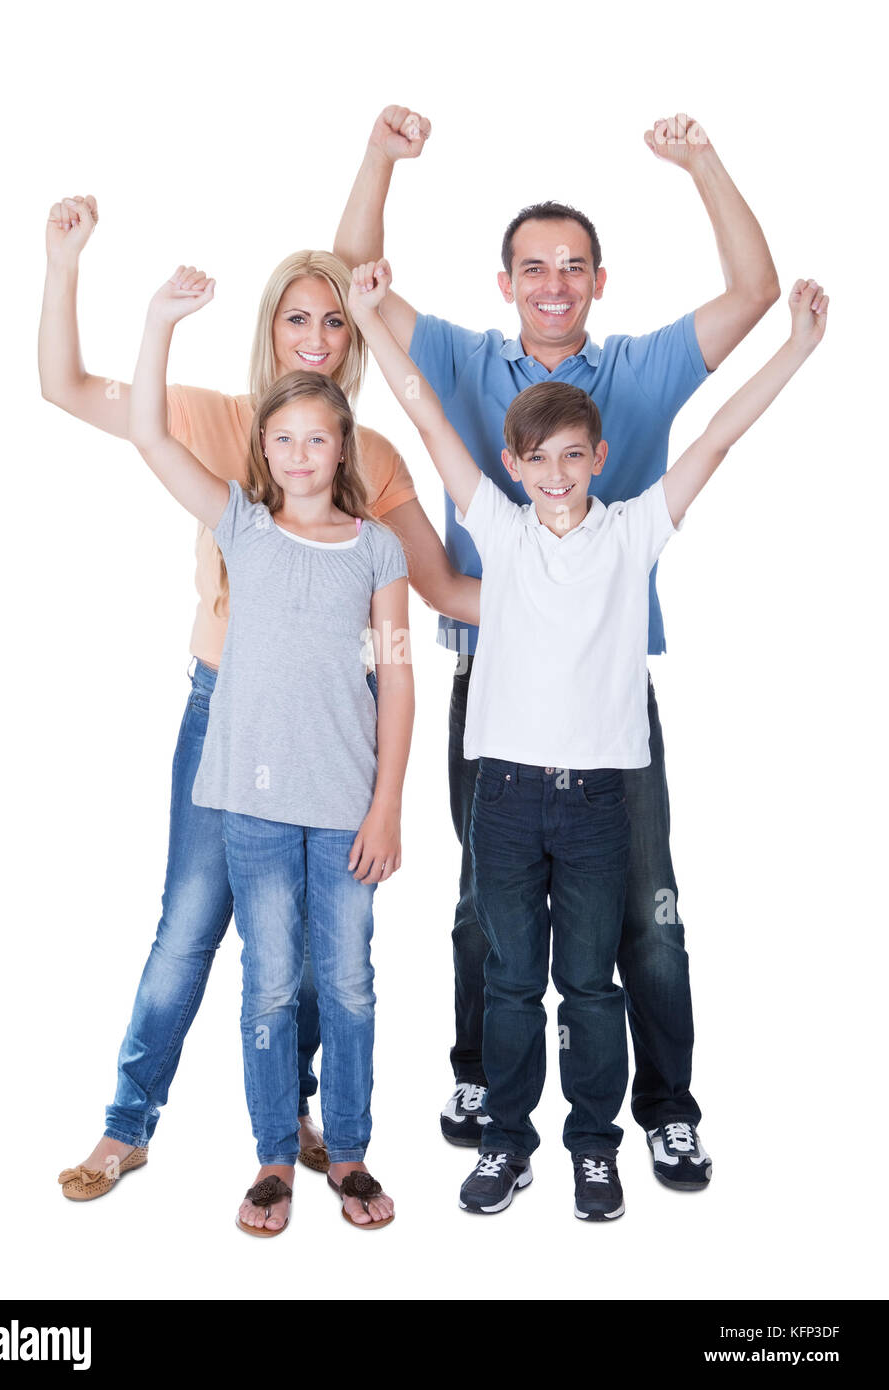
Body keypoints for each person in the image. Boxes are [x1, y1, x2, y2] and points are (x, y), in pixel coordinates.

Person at [335, 109, 781, 1182]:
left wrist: (700, 161)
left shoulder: (640, 369)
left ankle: (662, 1106)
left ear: (597, 280)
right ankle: (488, 1078)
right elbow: (356, 284)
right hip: (488, 682)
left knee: (644, 908)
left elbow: (754, 295)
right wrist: (380, 159)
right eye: (532, 267)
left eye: (571, 267)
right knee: (483, 904)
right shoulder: (452, 355)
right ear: (505, 283)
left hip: (606, 699)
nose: (551, 284)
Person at [40, 197, 479, 1203]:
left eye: (336, 321)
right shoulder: (227, 426)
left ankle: (301, 1119)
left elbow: (432, 605)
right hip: (225, 713)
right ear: (269, 330)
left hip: (336, 728)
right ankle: (125, 1124)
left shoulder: (373, 465)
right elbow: (66, 387)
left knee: (326, 956)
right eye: (297, 318)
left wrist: (571, 588)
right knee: (191, 922)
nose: (317, 340)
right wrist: (66, 265)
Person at [128, 263, 413, 1233]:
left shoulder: (379, 549)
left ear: (344, 449)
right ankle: (272, 1159)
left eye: (318, 437)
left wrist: (387, 806)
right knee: (269, 979)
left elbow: (400, 676)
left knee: (347, 981)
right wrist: (161, 319)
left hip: (344, 803)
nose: (299, 452)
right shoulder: (239, 526)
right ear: (263, 447)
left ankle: (354, 1150)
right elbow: (148, 433)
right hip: (248, 799)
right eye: (281, 437)